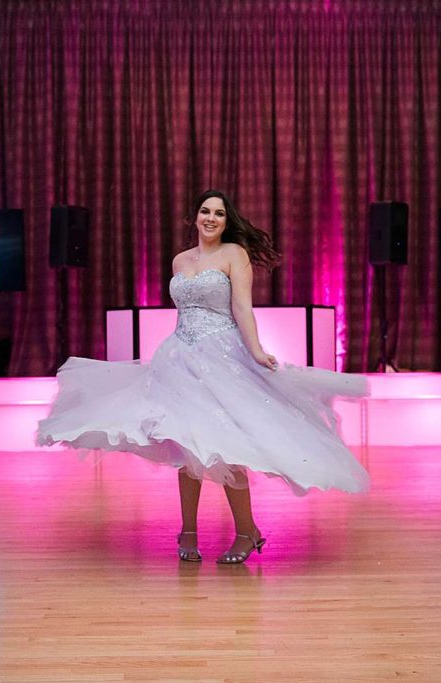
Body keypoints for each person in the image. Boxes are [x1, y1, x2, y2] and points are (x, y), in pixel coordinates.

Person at [37, 189, 370, 564]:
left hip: (222, 357)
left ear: (227, 222)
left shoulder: (233, 255)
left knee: (228, 445)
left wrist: (256, 349)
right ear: (194, 218)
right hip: (178, 358)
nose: (211, 218)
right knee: (186, 445)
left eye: (219, 214)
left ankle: (247, 531)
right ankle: (188, 532)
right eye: (205, 211)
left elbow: (242, 306)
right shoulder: (180, 260)